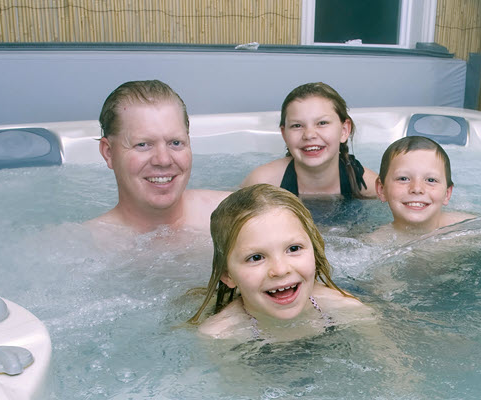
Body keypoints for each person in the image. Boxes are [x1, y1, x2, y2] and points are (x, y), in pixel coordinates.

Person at [189, 184, 372, 341]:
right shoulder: (220, 335)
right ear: (227, 275)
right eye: (256, 257)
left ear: (315, 253)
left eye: (293, 249)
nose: (280, 270)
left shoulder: (348, 310)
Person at [88, 79, 229, 233]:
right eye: (143, 145)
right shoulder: (86, 243)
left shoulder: (232, 217)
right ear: (108, 153)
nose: (163, 160)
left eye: (175, 143)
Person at [239, 82, 378, 199]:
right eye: (297, 126)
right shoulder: (263, 183)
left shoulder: (368, 185)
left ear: (344, 130)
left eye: (322, 123)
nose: (309, 135)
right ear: (284, 134)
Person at [366, 136, 475, 243]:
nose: (417, 188)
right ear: (381, 189)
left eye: (431, 180)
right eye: (403, 178)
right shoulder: (374, 243)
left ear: (447, 194)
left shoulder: (468, 228)